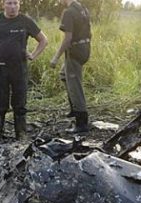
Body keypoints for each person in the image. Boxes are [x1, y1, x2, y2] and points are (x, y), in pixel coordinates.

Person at [0, 0, 48, 140]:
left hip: (19, 68)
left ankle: (21, 135)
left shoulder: (25, 21)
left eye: (15, 3)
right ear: (3, 4)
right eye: (9, 3)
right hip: (0, 67)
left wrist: (33, 55)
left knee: (20, 102)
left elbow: (43, 40)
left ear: (20, 4)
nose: (12, 7)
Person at [49, 0, 91, 134]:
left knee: (75, 86)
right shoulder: (83, 8)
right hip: (85, 48)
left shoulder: (68, 12)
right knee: (64, 75)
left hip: (74, 51)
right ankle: (74, 108)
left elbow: (67, 38)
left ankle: (81, 122)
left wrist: (56, 57)